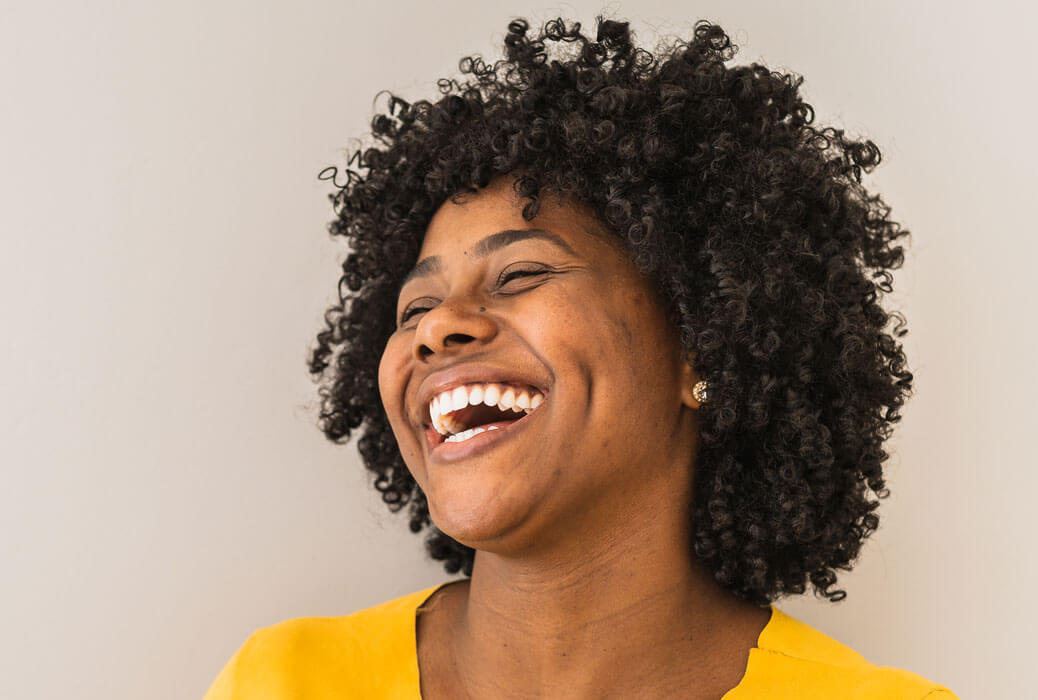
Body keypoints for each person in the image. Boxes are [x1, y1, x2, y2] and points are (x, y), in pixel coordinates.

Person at [204, 16, 960, 699]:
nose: (437, 331)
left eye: (520, 274)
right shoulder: (285, 681)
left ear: (704, 343)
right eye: (414, 309)